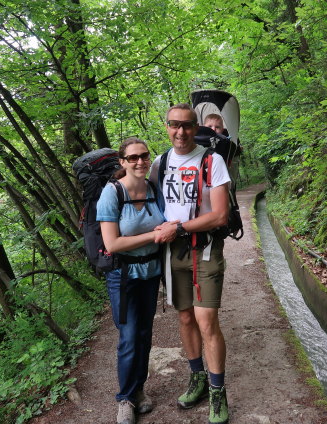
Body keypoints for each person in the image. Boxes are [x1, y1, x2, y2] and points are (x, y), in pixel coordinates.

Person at [151, 103, 231, 424]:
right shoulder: (160, 162)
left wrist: (179, 227)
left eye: (186, 125)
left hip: (205, 250)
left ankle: (217, 391)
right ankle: (196, 377)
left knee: (206, 321)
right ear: (167, 127)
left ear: (195, 128)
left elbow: (220, 215)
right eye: (174, 125)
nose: (180, 132)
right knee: (185, 319)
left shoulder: (212, 161)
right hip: (172, 254)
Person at [97, 137, 178, 424]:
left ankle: (139, 391)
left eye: (144, 156)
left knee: (144, 334)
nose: (140, 161)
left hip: (150, 273)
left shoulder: (154, 189)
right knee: (130, 336)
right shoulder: (112, 193)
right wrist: (155, 235)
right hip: (123, 276)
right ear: (122, 162)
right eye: (132, 158)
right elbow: (113, 244)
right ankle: (125, 399)